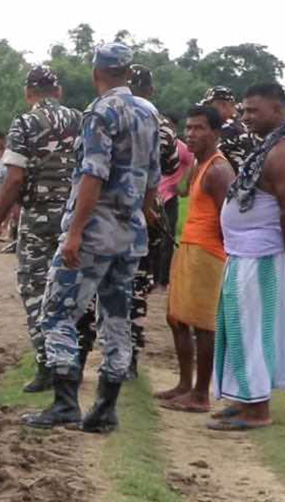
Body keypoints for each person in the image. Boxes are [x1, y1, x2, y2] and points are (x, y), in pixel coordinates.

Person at [28, 43, 161, 433]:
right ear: (128, 72)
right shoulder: (149, 113)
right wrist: (142, 214)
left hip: (94, 232)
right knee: (116, 319)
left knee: (56, 312)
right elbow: (153, 179)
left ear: (96, 73)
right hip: (130, 233)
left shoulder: (101, 112)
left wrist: (74, 233)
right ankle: (105, 409)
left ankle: (65, 402)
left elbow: (93, 175)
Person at [0, 65, 96, 394]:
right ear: (59, 91)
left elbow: (15, 179)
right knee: (75, 290)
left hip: (37, 220)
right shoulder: (82, 120)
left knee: (37, 290)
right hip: (77, 218)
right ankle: (75, 361)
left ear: (29, 93)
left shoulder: (24, 123)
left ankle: (48, 365)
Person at [209, 83, 285, 432]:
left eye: (254, 111)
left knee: (254, 330)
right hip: (244, 252)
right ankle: (243, 398)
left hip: (261, 255)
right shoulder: (268, 145)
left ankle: (258, 410)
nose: (245, 116)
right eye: (244, 110)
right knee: (238, 325)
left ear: (277, 111)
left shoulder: (283, 152)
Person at [155, 106, 233, 413]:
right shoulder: (202, 165)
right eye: (188, 129)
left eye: (199, 128)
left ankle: (201, 394)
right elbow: (183, 190)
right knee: (176, 318)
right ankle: (185, 385)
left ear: (215, 132)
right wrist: (193, 157)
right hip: (190, 247)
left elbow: (231, 219)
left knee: (203, 325)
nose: (191, 134)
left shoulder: (218, 169)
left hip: (208, 253)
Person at [126, 64, 182, 379]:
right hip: (146, 211)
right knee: (136, 286)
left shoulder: (107, 113)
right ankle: (130, 356)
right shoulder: (162, 126)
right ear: (151, 90)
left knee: (99, 284)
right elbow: (172, 163)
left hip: (106, 211)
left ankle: (94, 350)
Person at [154, 118, 195, 287]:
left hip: (169, 198)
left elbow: (194, 162)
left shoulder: (181, 148)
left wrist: (183, 186)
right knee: (153, 240)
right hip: (152, 198)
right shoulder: (152, 141)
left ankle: (163, 279)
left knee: (167, 239)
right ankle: (153, 277)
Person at [202, 86, 258, 175]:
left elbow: (205, 156)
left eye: (209, 107)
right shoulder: (241, 124)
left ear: (223, 105)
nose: (206, 112)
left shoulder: (229, 128)